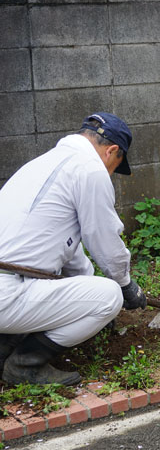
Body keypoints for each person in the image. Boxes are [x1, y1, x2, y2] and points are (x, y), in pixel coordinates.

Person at [0, 112, 147, 385]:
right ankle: (24, 365)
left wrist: (87, 295)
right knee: (109, 296)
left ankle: (4, 347)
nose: (112, 173)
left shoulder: (43, 163)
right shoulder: (90, 169)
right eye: (116, 165)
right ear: (112, 151)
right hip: (7, 294)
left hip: (7, 289)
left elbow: (70, 251)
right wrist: (125, 285)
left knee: (94, 293)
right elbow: (103, 238)